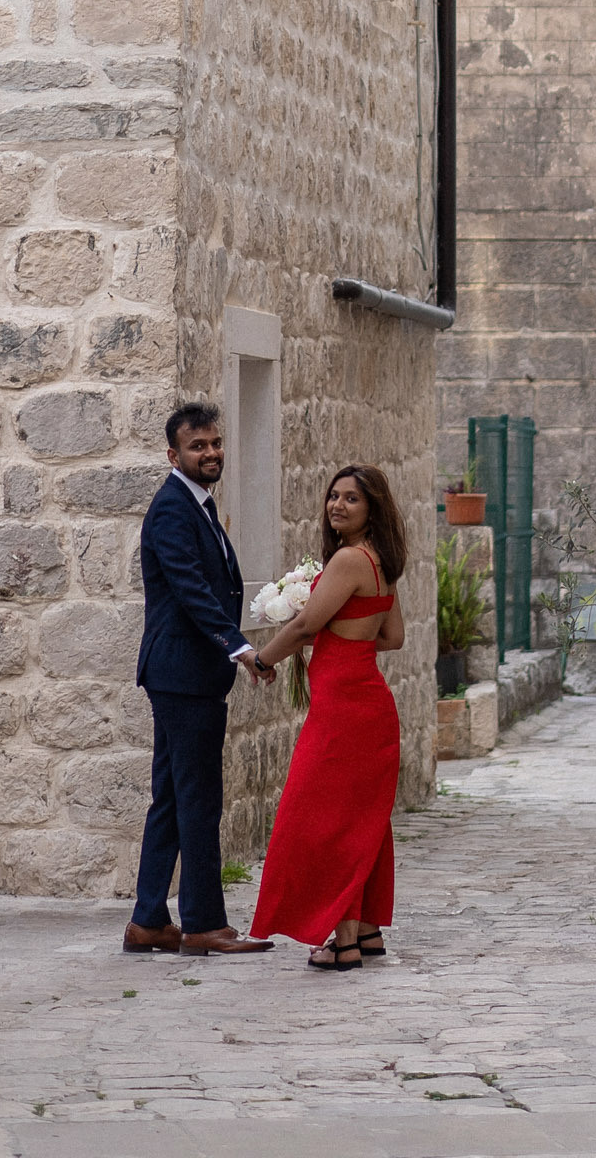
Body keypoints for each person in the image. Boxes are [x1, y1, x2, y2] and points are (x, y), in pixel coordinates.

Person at [126, 400, 275, 955]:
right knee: (198, 799)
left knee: (169, 796)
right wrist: (240, 648)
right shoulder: (172, 509)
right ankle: (204, 924)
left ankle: (147, 921)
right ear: (174, 454)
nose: (211, 453)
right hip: (183, 674)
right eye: (198, 446)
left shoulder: (199, 505)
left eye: (215, 443)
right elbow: (192, 591)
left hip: (185, 675)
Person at [248, 463, 407, 970]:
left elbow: (304, 626)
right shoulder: (381, 561)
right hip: (371, 705)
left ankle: (343, 943)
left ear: (371, 509)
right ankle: (365, 930)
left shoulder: (346, 560)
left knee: (323, 820)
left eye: (351, 499)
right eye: (333, 497)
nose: (337, 505)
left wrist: (261, 660)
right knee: (362, 821)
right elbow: (391, 636)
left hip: (342, 710)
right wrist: (346, 634)